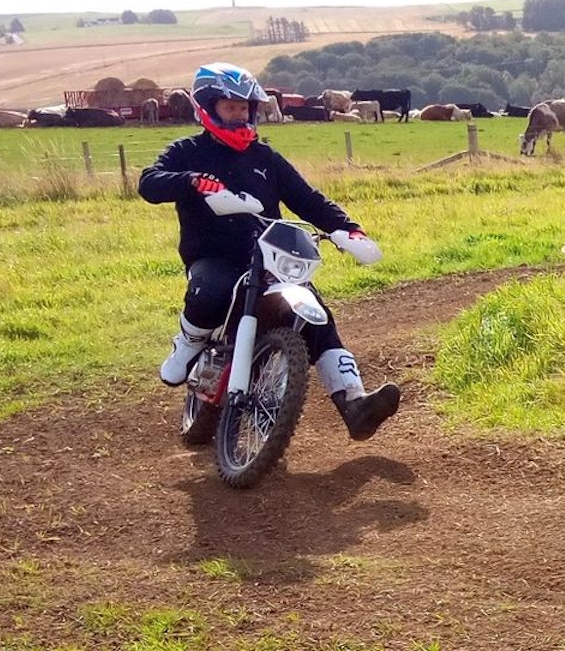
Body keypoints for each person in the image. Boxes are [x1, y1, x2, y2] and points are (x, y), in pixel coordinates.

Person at [138, 62, 401, 442]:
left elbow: (307, 199)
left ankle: (354, 403)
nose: (240, 114)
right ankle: (189, 343)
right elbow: (149, 183)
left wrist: (347, 228)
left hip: (269, 257)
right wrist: (192, 182)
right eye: (231, 107)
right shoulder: (187, 152)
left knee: (318, 319)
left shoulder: (265, 158)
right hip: (214, 256)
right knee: (210, 291)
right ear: (208, 107)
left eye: (245, 107)